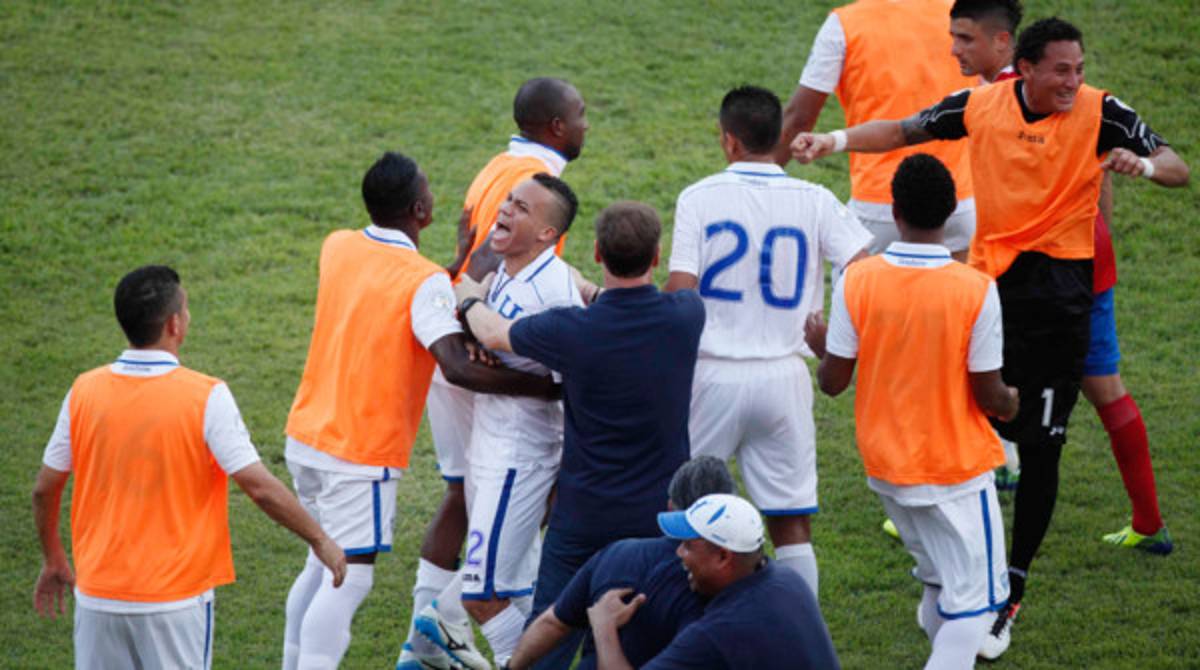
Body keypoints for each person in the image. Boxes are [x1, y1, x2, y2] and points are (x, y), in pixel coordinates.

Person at [791, 16, 1189, 659]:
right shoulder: (981, 104)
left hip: (1062, 300)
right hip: (993, 287)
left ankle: (1012, 586)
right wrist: (832, 140)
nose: (1074, 81)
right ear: (1025, 67)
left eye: (1079, 69)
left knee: (1044, 444)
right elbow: (902, 129)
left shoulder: (1104, 112)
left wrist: (1140, 165)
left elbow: (1178, 167)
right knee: (983, 410)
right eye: (1061, 69)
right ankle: (950, 548)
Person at [282, 152, 559, 670]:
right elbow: (456, 367)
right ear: (420, 210)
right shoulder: (421, 280)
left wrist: (453, 268)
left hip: (306, 433)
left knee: (318, 565)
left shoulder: (338, 245)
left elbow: (400, 292)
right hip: (358, 450)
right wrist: (544, 386)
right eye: (429, 189)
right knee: (349, 576)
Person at [32, 265, 347, 670]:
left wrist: (55, 558)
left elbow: (44, 488)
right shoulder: (206, 396)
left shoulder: (83, 391)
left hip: (98, 600)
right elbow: (259, 487)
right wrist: (320, 539)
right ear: (173, 324)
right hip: (174, 602)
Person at [951, 0, 1172, 555]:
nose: (955, 49)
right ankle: (1147, 521)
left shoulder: (1026, 91)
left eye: (965, 39)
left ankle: (972, 483)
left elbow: (1120, 168)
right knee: (1098, 387)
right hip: (1080, 263)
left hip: (1059, 271)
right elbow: (1102, 177)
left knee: (989, 373)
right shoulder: (1043, 92)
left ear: (1005, 46)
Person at [456, 201, 706, 669]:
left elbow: (492, 334)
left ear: (597, 252)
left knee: (548, 639)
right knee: (631, 641)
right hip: (654, 517)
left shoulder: (570, 331)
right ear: (656, 257)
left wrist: (469, 295)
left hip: (581, 517)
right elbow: (623, 305)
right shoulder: (686, 316)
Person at [403, 77, 589, 669]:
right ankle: (447, 633)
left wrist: (465, 306)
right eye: (582, 114)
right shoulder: (533, 186)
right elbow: (485, 261)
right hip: (493, 392)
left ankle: (427, 640)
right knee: (496, 545)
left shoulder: (499, 167)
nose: (588, 123)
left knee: (492, 528)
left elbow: (471, 256)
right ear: (558, 126)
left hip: (480, 363)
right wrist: (476, 329)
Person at [806, 154, 1019, 669]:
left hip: (885, 467)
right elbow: (990, 394)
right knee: (975, 609)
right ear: (950, 214)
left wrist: (821, 345)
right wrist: (1014, 401)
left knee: (938, 581)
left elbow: (833, 383)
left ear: (895, 210)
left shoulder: (858, 281)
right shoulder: (976, 288)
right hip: (957, 470)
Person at [664, 85, 870, 597]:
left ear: (729, 141)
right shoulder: (816, 199)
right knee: (791, 522)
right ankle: (801, 637)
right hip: (784, 377)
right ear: (779, 135)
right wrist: (836, 340)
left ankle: (683, 632)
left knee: (687, 513)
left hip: (709, 376)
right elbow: (864, 270)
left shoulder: (699, 196)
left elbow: (680, 296)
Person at [773, 0, 978, 261]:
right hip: (959, 204)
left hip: (880, 209)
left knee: (859, 298)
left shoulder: (845, 24)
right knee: (954, 299)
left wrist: (758, 176)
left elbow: (800, 118)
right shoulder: (963, 14)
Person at [506, 456, 735, 670]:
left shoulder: (617, 555)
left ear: (669, 506)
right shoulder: (731, 583)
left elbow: (553, 623)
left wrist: (510, 667)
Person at [586, 493, 840, 669]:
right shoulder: (787, 581)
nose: (679, 553)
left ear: (722, 557)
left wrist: (604, 627)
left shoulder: (719, 633)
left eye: (688, 546)